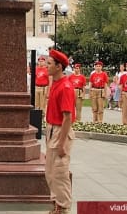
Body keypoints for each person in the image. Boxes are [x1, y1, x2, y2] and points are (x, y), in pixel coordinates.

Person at [45, 49, 76, 214]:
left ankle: (63, 208)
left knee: (59, 172)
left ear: (59, 66)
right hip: (52, 129)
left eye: (49, 63)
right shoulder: (55, 83)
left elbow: (68, 118)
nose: (45, 67)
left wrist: (62, 143)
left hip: (60, 131)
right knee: (50, 172)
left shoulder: (65, 87)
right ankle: (57, 205)